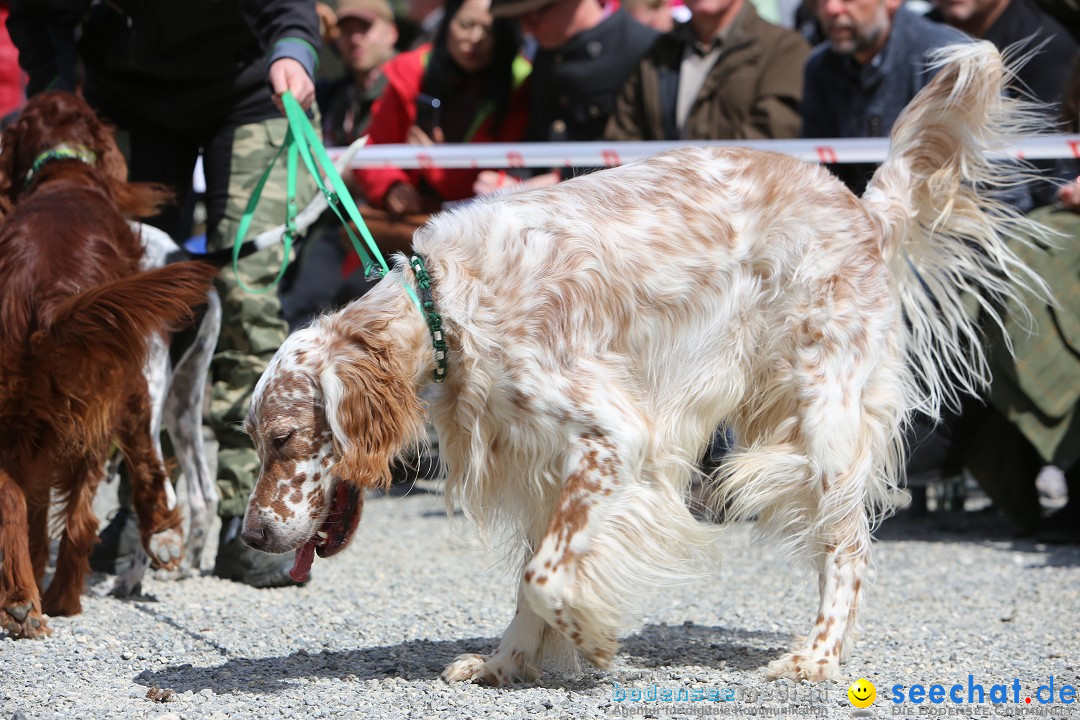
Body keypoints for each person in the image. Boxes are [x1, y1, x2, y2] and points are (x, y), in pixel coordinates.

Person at [8, 0, 321, 587]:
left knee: (246, 296)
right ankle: (141, 502)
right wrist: (57, 90)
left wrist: (295, 54)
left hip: (250, 93)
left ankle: (243, 513)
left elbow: (290, 8)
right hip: (125, 102)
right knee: (122, 304)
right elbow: (38, 14)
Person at [281, 0, 399, 330]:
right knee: (300, 306)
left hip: (391, 228)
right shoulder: (335, 93)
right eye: (346, 32)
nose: (354, 39)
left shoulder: (407, 88)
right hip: (335, 224)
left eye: (365, 29)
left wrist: (359, 172)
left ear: (392, 34)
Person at [356, 0, 532, 215]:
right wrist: (392, 187)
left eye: (489, 29)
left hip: (480, 225)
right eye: (466, 24)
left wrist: (433, 161)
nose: (475, 38)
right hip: (406, 222)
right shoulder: (410, 72)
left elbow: (488, 182)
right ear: (448, 22)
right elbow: (370, 149)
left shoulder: (521, 85)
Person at [799, 0, 967, 195]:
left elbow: (990, 176)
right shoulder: (819, 68)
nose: (831, 9)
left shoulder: (948, 60)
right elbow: (817, 172)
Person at [605, 0, 810, 142]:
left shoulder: (784, 49)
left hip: (747, 202)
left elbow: (771, 144)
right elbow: (624, 139)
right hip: (664, 202)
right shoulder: (656, 55)